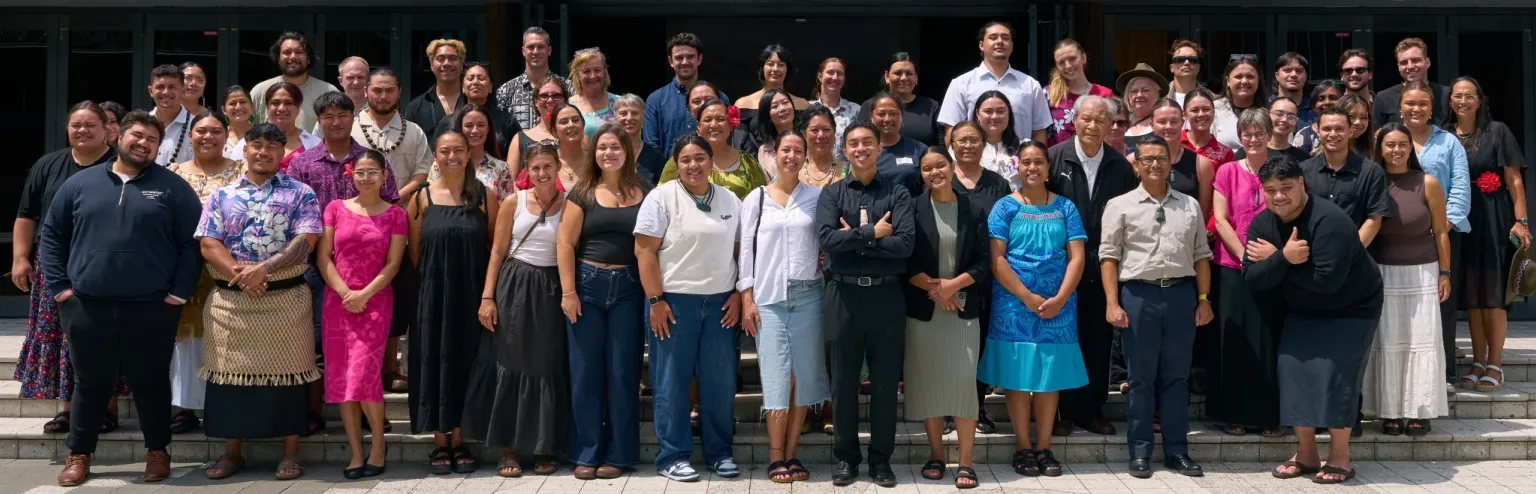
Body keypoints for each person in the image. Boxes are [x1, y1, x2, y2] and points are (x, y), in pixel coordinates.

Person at [41, 110, 201, 487]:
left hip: (151, 306)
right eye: (137, 136)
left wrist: (177, 294)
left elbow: (191, 245)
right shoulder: (79, 184)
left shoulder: (173, 188)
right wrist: (62, 291)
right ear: (118, 137)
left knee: (150, 382)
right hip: (86, 304)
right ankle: (79, 454)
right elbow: (51, 236)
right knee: (91, 383)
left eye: (151, 140)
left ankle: (158, 451)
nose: (143, 143)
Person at [195, 123, 323, 481]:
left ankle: (291, 452)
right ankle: (231, 452)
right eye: (256, 145)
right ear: (245, 150)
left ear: (283, 153)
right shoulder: (222, 194)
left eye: (271, 146)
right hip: (231, 301)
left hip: (285, 299)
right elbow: (208, 243)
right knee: (228, 381)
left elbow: (307, 240)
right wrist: (242, 273)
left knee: (289, 379)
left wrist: (263, 270)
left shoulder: (301, 194)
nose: (263, 151)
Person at [1244, 157, 1383, 485]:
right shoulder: (1263, 223)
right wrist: (1284, 258)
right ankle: (1306, 454)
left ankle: (1340, 458)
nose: (1279, 196)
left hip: (1352, 308)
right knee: (1291, 369)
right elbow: (1251, 277)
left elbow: (1327, 283)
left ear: (1302, 185)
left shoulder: (1330, 220)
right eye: (1271, 190)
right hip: (1304, 310)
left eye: (1286, 188)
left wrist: (1279, 262)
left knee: (1336, 375)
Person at [1100, 135, 1213, 479]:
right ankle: (1140, 451)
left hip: (1180, 295)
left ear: (1170, 163)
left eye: (1160, 159)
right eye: (1146, 159)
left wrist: (1204, 299)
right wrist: (1112, 303)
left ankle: (1177, 451)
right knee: (1140, 379)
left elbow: (1201, 256)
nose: (1154, 165)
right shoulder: (1119, 205)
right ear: (1135, 164)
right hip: (1139, 296)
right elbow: (1108, 256)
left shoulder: (1189, 205)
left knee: (1177, 378)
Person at [635, 134, 743, 482]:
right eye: (686, 159)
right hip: (674, 302)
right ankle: (673, 456)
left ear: (711, 161)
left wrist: (740, 294)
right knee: (670, 382)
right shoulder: (661, 197)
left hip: (721, 304)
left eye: (700, 158)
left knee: (720, 382)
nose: (693, 165)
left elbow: (741, 251)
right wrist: (655, 300)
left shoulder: (730, 199)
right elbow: (644, 252)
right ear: (676, 164)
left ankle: (719, 451)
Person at [13, 101, 123, 438]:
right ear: (67, 128)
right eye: (76, 124)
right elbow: (27, 215)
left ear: (107, 129)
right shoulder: (48, 165)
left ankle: (107, 408)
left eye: (91, 125)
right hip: (54, 266)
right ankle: (67, 408)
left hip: (105, 266)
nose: (83, 131)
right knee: (60, 337)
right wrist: (20, 257)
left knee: (103, 336)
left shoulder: (120, 164)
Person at [981, 140, 1088, 478]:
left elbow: (1077, 258)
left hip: (1059, 304)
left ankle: (1044, 447)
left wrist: (1059, 297)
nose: (1032, 168)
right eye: (1026, 162)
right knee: (1018, 377)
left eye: (1039, 162)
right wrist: (1026, 296)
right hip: (1014, 304)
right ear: (1018, 167)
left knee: (1048, 378)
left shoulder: (1066, 208)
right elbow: (997, 259)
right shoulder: (1004, 208)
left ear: (1047, 167)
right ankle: (1022, 447)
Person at [463, 141, 567, 478]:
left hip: (552, 289)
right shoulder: (513, 201)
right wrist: (487, 297)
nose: (541, 173)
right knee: (508, 362)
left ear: (557, 167)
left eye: (547, 167)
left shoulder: (571, 205)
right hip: (515, 286)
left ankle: (543, 446)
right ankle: (508, 447)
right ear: (526, 170)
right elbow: (497, 252)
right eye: (535, 167)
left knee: (546, 363)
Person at [820, 122, 915, 488]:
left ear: (879, 149)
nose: (860, 149)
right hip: (842, 295)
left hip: (886, 295)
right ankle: (846, 459)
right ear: (844, 150)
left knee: (885, 382)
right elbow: (828, 240)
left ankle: (881, 460)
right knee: (842, 381)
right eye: (853, 143)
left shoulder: (898, 193)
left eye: (867, 143)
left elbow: (904, 245)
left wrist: (856, 239)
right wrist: (874, 234)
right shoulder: (831, 194)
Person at [557, 126, 649, 481]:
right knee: (585, 374)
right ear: (594, 153)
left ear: (628, 151)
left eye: (615, 147)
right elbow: (565, 244)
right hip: (587, 286)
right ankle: (587, 451)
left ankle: (620, 453)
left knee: (623, 373)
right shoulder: (582, 192)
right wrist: (568, 293)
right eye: (602, 148)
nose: (608, 153)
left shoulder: (646, 191)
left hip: (629, 287)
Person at [1045, 102, 1138, 438]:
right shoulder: (1054, 158)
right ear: (1074, 120)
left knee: (1097, 341)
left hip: (1103, 266)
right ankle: (1056, 411)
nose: (1092, 125)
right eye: (1086, 118)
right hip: (1059, 266)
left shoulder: (1120, 167)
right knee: (1058, 339)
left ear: (1111, 124)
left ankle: (1090, 410)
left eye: (1101, 120)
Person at [406, 130, 497, 475]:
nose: (452, 156)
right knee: (432, 361)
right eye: (445, 151)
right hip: (432, 295)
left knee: (464, 361)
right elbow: (415, 251)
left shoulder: (485, 197)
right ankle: (438, 442)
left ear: (468, 153)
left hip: (471, 295)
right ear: (436, 155)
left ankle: (459, 440)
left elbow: (494, 249)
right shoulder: (422, 197)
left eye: (458, 150)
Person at [739, 131, 827, 483]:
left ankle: (792, 454)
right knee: (777, 377)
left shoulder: (818, 197)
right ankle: (775, 457)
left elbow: (828, 239)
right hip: (769, 297)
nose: (791, 156)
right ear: (773, 156)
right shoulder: (756, 198)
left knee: (802, 378)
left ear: (806, 156)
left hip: (809, 295)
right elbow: (745, 251)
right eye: (785, 150)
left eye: (798, 151)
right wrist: (746, 297)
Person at [904, 146, 989, 489]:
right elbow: (903, 260)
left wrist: (951, 287)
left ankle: (966, 461)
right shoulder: (911, 209)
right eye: (927, 168)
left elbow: (984, 262)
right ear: (921, 174)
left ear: (953, 167)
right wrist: (933, 288)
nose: (935, 172)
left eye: (941, 165)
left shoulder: (974, 208)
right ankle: (937, 454)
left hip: (962, 307)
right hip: (925, 309)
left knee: (963, 382)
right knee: (929, 382)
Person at [316, 149, 403, 480]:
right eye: (360, 171)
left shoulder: (395, 214)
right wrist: (344, 292)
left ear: (384, 175)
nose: (366, 177)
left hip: (375, 302)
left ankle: (378, 446)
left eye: (373, 172)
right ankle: (355, 451)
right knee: (341, 378)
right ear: (350, 174)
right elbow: (325, 257)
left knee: (365, 375)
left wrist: (364, 294)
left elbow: (393, 264)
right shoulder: (335, 209)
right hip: (338, 302)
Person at [1362, 122, 1451, 435]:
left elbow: (1440, 231)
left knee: (1420, 341)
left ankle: (1419, 410)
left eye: (1402, 144)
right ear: (1380, 148)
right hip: (1382, 271)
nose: (1396, 150)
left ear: (1410, 148)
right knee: (1387, 342)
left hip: (1422, 272)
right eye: (1390, 145)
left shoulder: (1427, 182)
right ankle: (1389, 411)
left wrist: (1444, 272)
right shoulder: (1371, 180)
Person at [1445, 77, 1528, 392]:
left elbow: (1514, 180)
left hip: (1493, 216)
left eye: (1469, 95)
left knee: (1493, 294)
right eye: (1457, 96)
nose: (1463, 101)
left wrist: (1521, 220)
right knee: (1472, 294)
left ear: (1480, 100)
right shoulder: (1445, 135)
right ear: (1450, 101)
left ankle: (1495, 364)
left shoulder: (1498, 132)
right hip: (1459, 219)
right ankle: (1478, 361)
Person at [166, 111, 245, 435]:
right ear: (191, 135)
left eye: (215, 131)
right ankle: (182, 407)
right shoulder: (172, 174)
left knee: (224, 337)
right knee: (184, 341)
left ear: (227, 136)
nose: (208, 137)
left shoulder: (241, 172)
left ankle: (220, 402)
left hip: (227, 268)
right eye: (201, 131)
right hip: (183, 270)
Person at [1209, 109, 1284, 437]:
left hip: (1274, 265)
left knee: (1270, 339)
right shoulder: (1227, 170)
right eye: (1247, 133)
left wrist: (1271, 259)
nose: (1253, 139)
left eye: (1259, 133)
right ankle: (1235, 414)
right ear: (1239, 137)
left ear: (1270, 134)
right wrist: (1243, 257)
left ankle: (1270, 415)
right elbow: (1221, 219)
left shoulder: (1280, 170)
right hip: (1232, 266)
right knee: (1235, 339)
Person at [1399, 85, 1471, 389]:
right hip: (1399, 237)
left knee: (1442, 303)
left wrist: (1445, 225)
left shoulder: (1449, 142)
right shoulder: (1388, 138)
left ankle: (1444, 374)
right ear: (1400, 106)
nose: (1416, 109)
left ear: (1433, 108)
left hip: (1443, 235)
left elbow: (1460, 186)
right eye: (1410, 103)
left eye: (1423, 104)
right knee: (1403, 305)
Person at [939, 21, 1051, 143]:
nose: (1000, 42)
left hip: (1018, 160)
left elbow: (1039, 132)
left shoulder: (1030, 85)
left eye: (1005, 38)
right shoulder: (961, 84)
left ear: (1012, 46)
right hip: (975, 160)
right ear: (981, 45)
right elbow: (951, 131)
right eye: (993, 38)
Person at [1301, 107, 1391, 243]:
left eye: (1339, 129)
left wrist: (1350, 253)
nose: (1333, 134)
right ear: (1318, 132)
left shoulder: (1371, 172)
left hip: (1355, 258)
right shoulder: (1303, 170)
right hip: (1312, 256)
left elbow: (1374, 219)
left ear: (1350, 132)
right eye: (1326, 129)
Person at [1130, 99, 1215, 230]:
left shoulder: (1201, 164)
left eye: (1174, 121)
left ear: (1183, 122)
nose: (1168, 126)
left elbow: (1202, 215)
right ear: (1152, 124)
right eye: (1162, 122)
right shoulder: (1133, 161)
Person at [658, 99, 767, 199]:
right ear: (698, 126)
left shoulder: (747, 162)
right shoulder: (681, 161)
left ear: (730, 124)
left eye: (720, 119)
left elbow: (761, 202)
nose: (714, 125)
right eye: (707, 120)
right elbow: (662, 197)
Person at [645, 33, 728, 157]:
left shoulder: (719, 98)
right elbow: (652, 145)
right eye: (679, 57)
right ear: (670, 61)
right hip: (670, 173)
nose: (684, 62)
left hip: (714, 171)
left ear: (699, 59)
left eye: (690, 57)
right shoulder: (656, 100)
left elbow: (728, 137)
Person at [355, 69, 431, 198]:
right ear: (365, 92)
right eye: (377, 91)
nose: (383, 96)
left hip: (403, 211)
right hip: (358, 211)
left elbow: (423, 172)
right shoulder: (350, 129)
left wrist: (394, 200)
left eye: (390, 91)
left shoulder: (414, 131)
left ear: (399, 92)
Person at [250, 32, 340, 132]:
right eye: (287, 52)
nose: (293, 57)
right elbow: (245, 128)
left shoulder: (327, 91)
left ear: (308, 58)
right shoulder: (260, 91)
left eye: (299, 52)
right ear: (278, 59)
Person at [428, 104, 516, 200]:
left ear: (488, 129)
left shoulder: (502, 169)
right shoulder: (440, 165)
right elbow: (429, 200)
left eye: (481, 125)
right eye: (469, 125)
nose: (475, 130)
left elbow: (506, 208)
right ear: (460, 129)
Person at [431, 63, 521, 153]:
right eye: (470, 78)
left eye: (481, 78)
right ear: (462, 87)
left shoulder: (507, 120)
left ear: (490, 87)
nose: (475, 82)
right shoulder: (448, 122)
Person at [860, 53, 943, 146]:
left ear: (916, 78)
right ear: (887, 76)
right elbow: (862, 141)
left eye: (909, 73)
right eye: (898, 73)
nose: (904, 78)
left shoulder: (931, 107)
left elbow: (942, 145)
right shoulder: (870, 105)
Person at [231, 82, 322, 167]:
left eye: (288, 103)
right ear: (267, 107)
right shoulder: (247, 143)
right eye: (275, 103)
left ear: (298, 108)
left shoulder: (315, 144)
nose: (281, 108)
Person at [496, 27, 570, 131]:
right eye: (531, 47)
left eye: (540, 47)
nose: (535, 52)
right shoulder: (506, 91)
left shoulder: (567, 87)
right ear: (523, 51)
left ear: (549, 51)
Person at [1045, 39, 1114, 146]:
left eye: (1072, 59)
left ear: (1083, 58)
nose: (1068, 65)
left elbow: (1110, 133)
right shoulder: (1048, 94)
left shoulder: (1104, 94)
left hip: (1093, 157)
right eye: (1061, 62)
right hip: (1058, 159)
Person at [506, 77, 573, 183]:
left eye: (556, 96)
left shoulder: (576, 136)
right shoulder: (519, 139)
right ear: (536, 102)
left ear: (565, 100)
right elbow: (510, 182)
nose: (550, 100)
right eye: (544, 96)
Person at [1372, 38, 1451, 128]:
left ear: (1427, 62)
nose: (1410, 66)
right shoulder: (1383, 98)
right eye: (1404, 62)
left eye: (1415, 60)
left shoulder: (1446, 94)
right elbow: (1376, 135)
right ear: (1398, 67)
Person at [735, 44, 810, 132]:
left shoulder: (803, 105)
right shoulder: (743, 104)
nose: (775, 69)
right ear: (762, 68)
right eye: (770, 64)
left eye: (781, 65)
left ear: (787, 69)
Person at [869, 92, 928, 197]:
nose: (887, 119)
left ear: (902, 116)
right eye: (881, 114)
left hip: (913, 211)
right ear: (872, 117)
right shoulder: (864, 151)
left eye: (893, 113)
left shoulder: (919, 149)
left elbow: (929, 190)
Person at [405, 38, 465, 130]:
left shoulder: (473, 101)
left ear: (461, 65)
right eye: (440, 59)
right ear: (431, 65)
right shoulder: (416, 107)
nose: (446, 63)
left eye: (453, 58)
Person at [1211, 56, 1266, 152]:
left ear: (1259, 80)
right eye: (1238, 77)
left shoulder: (1270, 112)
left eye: (1250, 77)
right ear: (1227, 80)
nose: (1244, 81)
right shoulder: (1213, 109)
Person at [738, 89, 797, 177]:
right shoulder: (765, 151)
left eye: (785, 102)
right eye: (774, 106)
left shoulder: (810, 139)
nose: (782, 108)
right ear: (768, 116)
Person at [808, 57, 860, 157]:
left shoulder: (855, 110)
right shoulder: (807, 109)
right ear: (820, 76)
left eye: (839, 74)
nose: (835, 77)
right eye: (830, 72)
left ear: (844, 79)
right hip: (812, 170)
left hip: (845, 171)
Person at [1114, 64, 1168, 154]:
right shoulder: (1119, 121)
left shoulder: (1164, 123)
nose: (1139, 95)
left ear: (1157, 93)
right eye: (1134, 91)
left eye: (1145, 90)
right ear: (1128, 95)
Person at [972, 90, 1021, 189]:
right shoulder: (965, 148)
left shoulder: (1023, 148)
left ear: (1009, 113)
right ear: (977, 113)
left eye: (1000, 111)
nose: (994, 116)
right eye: (988, 111)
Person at [612, 94, 664, 185]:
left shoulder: (656, 157)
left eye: (635, 113)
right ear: (616, 118)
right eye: (623, 114)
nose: (629, 118)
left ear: (643, 118)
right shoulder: (607, 153)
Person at [148, 64, 195, 166]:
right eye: (160, 87)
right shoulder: (141, 125)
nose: (165, 92)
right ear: (151, 91)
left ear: (182, 90)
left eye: (172, 87)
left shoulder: (196, 127)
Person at [569, 48, 620, 139]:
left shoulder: (619, 103)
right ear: (577, 75)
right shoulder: (568, 106)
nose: (592, 76)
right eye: (586, 71)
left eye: (597, 70)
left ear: (605, 72)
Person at [1289, 80, 1344, 156]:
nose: (1327, 102)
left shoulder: (1350, 131)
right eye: (1321, 99)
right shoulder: (1303, 135)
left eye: (1333, 97)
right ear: (1313, 107)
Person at [1182, 88, 1234, 165]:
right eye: (1195, 110)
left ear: (1214, 112)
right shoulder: (1175, 142)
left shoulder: (1225, 153)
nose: (1201, 114)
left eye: (1206, 109)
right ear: (1184, 115)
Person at [798, 105, 845, 188]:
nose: (820, 135)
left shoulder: (848, 171)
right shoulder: (792, 170)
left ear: (834, 134)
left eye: (826, 129)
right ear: (804, 135)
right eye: (814, 130)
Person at [1272, 53, 1313, 127]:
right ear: (1277, 75)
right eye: (1287, 70)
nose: (1294, 74)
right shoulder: (1266, 106)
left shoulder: (1315, 108)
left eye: (1299, 71)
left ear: (1306, 76)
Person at [1268, 98, 1311, 163]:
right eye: (1279, 114)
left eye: (1291, 117)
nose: (1284, 120)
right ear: (1267, 115)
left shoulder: (1303, 158)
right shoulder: (1253, 151)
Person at [223, 87, 254, 160]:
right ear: (224, 110)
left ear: (252, 106)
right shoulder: (219, 136)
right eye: (232, 103)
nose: (238, 107)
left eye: (243, 102)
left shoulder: (260, 135)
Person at [1167, 40, 1203, 104]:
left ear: (1198, 68)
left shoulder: (1214, 99)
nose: (1187, 63)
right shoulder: (1158, 97)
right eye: (1180, 60)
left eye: (1193, 60)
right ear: (1171, 68)